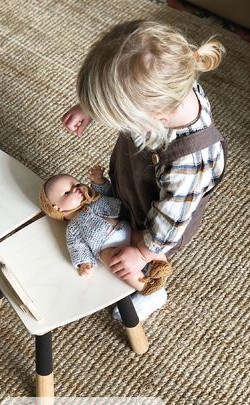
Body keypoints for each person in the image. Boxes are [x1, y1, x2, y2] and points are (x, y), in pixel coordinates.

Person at [61, 20, 227, 321]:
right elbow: (123, 86)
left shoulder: (189, 164)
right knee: (122, 213)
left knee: (140, 248)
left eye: (117, 114)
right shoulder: (165, 89)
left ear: (155, 118)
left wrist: (142, 253)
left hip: (160, 217)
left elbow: (169, 224)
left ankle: (152, 290)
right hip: (134, 182)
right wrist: (90, 106)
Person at [39, 165, 172, 295]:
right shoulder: (73, 228)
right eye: (67, 193)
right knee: (117, 265)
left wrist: (99, 181)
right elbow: (77, 246)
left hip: (125, 229)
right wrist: (84, 263)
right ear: (58, 209)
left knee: (144, 236)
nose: (76, 189)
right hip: (106, 247)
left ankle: (161, 264)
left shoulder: (94, 198)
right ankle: (144, 286)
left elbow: (109, 193)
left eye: (75, 183)